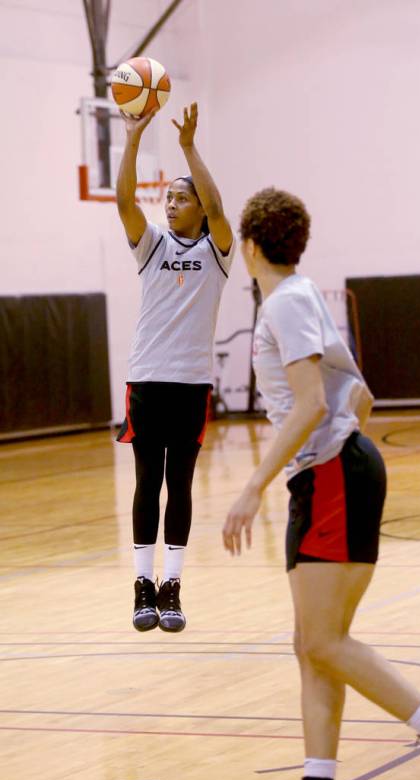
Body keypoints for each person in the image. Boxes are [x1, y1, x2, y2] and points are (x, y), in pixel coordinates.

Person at [222, 187, 420, 780]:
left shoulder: (285, 307)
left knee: (323, 640)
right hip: (329, 473)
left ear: (248, 245)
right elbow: (358, 394)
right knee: (313, 645)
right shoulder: (302, 297)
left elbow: (316, 403)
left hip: (329, 475)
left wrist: (251, 485)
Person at [116, 102, 234, 634]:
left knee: (181, 485)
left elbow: (218, 203)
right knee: (147, 482)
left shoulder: (218, 251)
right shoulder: (152, 247)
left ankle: (173, 585)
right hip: (147, 379)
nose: (171, 204)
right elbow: (124, 201)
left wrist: (188, 147)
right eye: (168, 197)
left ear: (199, 210)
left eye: (180, 197)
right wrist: (134, 139)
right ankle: (142, 585)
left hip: (190, 384)